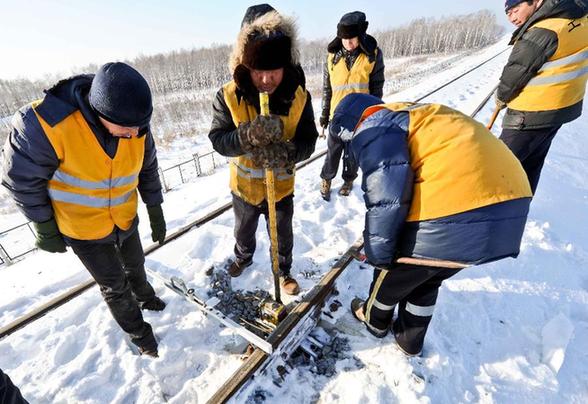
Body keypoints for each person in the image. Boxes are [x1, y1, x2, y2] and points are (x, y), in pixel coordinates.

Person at [331, 93, 532, 356]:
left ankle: (374, 320)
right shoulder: (412, 114)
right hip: (509, 208)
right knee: (429, 274)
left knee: (394, 270)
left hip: (462, 211)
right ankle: (409, 339)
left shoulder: (373, 126)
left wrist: (380, 257)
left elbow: (387, 201)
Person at [1, 62, 167, 357]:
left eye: (139, 127)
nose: (135, 134)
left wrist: (154, 206)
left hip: (125, 218)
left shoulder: (135, 120)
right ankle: (140, 335)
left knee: (136, 264)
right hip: (83, 231)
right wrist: (44, 225)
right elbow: (20, 179)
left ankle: (145, 296)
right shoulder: (44, 125)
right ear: (101, 113)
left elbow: (148, 166)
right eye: (126, 128)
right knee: (114, 286)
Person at [208, 4, 318, 296]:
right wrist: (246, 135)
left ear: (286, 65)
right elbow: (219, 140)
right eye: (259, 72)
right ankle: (243, 257)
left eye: (274, 71)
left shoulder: (298, 96)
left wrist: (288, 152)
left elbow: (309, 139)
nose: (266, 80)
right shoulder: (228, 96)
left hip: (280, 189)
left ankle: (283, 271)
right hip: (244, 189)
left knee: (282, 235)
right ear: (246, 64)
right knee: (243, 231)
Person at [496, 0, 587, 194]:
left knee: (499, 169)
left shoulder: (542, 31)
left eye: (515, 10)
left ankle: (491, 214)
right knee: (531, 164)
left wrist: (501, 97)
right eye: (508, 14)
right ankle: (519, 208)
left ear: (536, 2)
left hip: (530, 113)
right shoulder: (578, 17)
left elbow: (514, 74)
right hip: (560, 109)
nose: (512, 18)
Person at [319, 11, 384, 201]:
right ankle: (326, 179)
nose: (348, 42)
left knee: (353, 153)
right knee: (333, 152)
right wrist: (324, 115)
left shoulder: (372, 55)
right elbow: (326, 89)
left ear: (360, 35)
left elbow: (376, 86)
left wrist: (375, 112)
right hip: (336, 115)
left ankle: (348, 180)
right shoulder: (332, 57)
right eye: (344, 38)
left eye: (352, 38)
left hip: (360, 116)